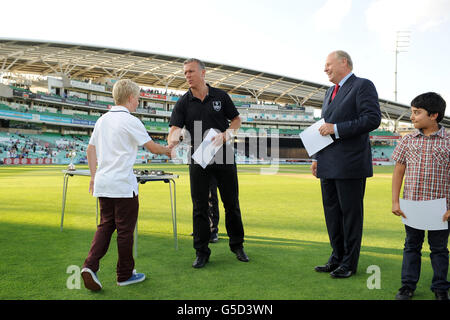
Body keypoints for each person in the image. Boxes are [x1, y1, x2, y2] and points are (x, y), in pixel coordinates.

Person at [81, 79, 171, 291]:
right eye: (138, 99)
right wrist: (167, 150)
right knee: (124, 231)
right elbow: (152, 148)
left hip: (104, 183)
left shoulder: (102, 120)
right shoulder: (131, 120)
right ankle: (124, 274)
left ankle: (89, 266)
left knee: (105, 225)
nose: (138, 103)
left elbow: (90, 150)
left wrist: (94, 177)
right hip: (123, 184)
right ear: (131, 98)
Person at [168, 58, 248, 268]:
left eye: (191, 71)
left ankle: (237, 245)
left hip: (224, 155)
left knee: (231, 203)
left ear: (203, 73)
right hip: (199, 158)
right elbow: (174, 130)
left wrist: (226, 134)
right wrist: (175, 138)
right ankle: (201, 251)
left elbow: (237, 120)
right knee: (200, 206)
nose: (187, 75)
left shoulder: (221, 96)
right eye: (185, 72)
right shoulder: (183, 101)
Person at [311, 50, 381, 278]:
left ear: (344, 62)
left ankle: (349, 263)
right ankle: (336, 257)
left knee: (350, 215)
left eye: (328, 64)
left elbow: (372, 118)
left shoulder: (362, 85)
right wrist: (317, 157)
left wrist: (337, 129)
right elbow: (323, 127)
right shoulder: (329, 91)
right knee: (331, 214)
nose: (325, 69)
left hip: (350, 165)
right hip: (328, 163)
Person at [391, 92, 449, 300]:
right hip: (412, 205)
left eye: (417, 113)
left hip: (441, 208)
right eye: (412, 112)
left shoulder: (449, 140)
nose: (412, 117)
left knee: (439, 249)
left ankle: (441, 287)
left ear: (433, 115)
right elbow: (399, 171)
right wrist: (395, 200)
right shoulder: (407, 141)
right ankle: (407, 286)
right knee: (411, 246)